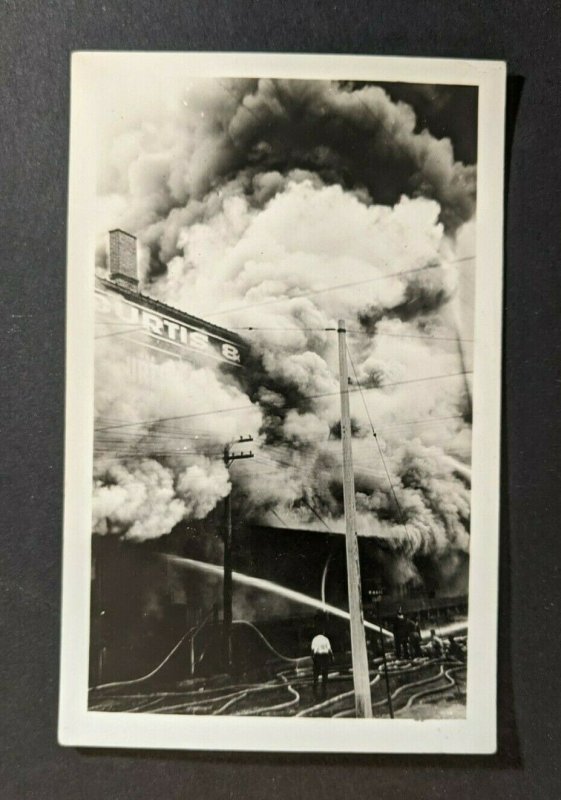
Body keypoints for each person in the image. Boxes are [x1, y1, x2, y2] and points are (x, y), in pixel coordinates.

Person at [311, 631, 333, 700]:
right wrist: (332, 657)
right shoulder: (326, 639)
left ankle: (315, 683)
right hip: (325, 655)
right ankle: (324, 684)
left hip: (318, 655)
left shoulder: (315, 639)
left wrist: (313, 657)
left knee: (316, 671)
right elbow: (329, 649)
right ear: (323, 633)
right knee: (325, 671)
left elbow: (313, 649)